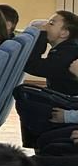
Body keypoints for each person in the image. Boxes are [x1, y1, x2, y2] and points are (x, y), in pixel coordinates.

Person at [13, 11, 78, 147]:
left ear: (64, 33)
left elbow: (32, 65)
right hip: (67, 98)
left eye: (51, 23)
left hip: (71, 102)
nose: (45, 25)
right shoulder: (66, 49)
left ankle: (37, 145)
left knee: (24, 93)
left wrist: (41, 35)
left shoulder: (68, 53)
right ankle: (37, 145)